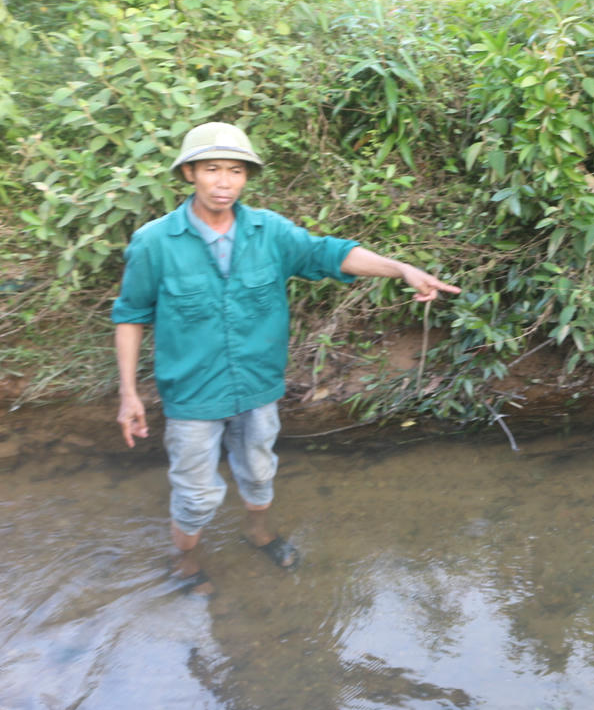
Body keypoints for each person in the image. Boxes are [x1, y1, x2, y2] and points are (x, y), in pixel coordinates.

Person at [112, 122, 460, 591]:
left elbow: (330, 254)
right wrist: (129, 394)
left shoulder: (268, 232)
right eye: (212, 169)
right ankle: (185, 561)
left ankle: (260, 533)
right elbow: (131, 315)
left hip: (257, 387)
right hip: (192, 394)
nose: (223, 182)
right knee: (196, 494)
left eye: (235, 171)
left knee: (258, 470)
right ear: (190, 172)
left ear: (246, 177)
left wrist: (399, 268)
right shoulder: (155, 242)